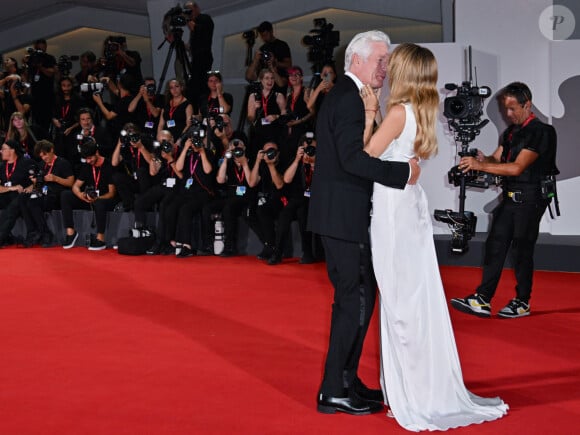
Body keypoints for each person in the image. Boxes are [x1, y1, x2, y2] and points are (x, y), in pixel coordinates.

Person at [361, 42, 508, 431]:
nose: (387, 69)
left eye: (393, 64)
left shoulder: (396, 112)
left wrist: (370, 112)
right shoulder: (423, 109)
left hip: (394, 211)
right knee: (413, 298)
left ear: (404, 71)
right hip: (408, 207)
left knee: (399, 303)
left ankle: (412, 393)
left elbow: (366, 153)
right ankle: (413, 388)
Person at [307, 30, 419, 416]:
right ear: (356, 60)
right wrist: (403, 173)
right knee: (354, 303)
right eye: (380, 60)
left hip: (342, 215)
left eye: (387, 61)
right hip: (343, 217)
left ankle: (345, 380)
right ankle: (334, 389)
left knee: (358, 301)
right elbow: (353, 161)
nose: (386, 68)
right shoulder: (348, 99)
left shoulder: (348, 97)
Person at [451, 82, 559, 319]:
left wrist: (481, 165)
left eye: (512, 109)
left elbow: (518, 167)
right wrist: (482, 158)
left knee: (521, 251)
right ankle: (483, 299)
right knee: (494, 246)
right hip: (510, 199)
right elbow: (497, 159)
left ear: (527, 104)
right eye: (504, 109)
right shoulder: (510, 132)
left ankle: (522, 302)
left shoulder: (542, 132)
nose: (508, 114)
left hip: (531, 200)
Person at [268, 133, 319, 265]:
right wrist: (297, 160)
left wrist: (314, 164)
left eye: (312, 148)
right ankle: (277, 253)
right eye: (306, 148)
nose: (309, 151)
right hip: (296, 199)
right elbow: (286, 179)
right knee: (285, 215)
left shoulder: (322, 161)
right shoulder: (294, 160)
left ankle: (307, 253)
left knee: (303, 211)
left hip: (315, 200)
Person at [60, 137, 117, 250]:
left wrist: (98, 198)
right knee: (65, 195)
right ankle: (71, 233)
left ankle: (100, 239)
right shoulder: (87, 166)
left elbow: (112, 193)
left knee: (99, 203)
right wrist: (81, 195)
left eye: (90, 158)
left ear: (96, 152)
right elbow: (75, 186)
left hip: (105, 200)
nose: (88, 161)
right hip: (89, 199)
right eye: (86, 159)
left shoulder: (108, 165)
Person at [19, 139, 74, 247]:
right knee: (22, 198)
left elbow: (71, 182)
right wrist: (34, 183)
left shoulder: (63, 163)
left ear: (52, 150)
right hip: (43, 192)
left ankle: (45, 233)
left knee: (33, 202)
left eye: (45, 154)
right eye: (41, 156)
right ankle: (33, 232)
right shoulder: (41, 165)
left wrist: (56, 179)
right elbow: (39, 183)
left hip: (57, 194)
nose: (44, 158)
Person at [0, 139, 34, 247]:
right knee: (10, 203)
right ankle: (6, 236)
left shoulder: (26, 162)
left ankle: (2, 237)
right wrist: (11, 188)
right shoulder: (1, 166)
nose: (1, 151)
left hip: (22, 197)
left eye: (3, 149)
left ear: (12, 150)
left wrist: (31, 187)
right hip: (7, 195)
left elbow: (39, 179)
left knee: (14, 204)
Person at [245, 21, 292, 92]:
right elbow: (249, 76)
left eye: (266, 35)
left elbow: (289, 64)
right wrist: (255, 60)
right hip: (265, 86)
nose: (264, 38)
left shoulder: (282, 45)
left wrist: (275, 63)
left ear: (271, 31)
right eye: (262, 36)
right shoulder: (262, 48)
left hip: (279, 83)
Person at [184, 1, 214, 109]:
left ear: (196, 8)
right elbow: (191, 47)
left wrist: (188, 20)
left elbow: (200, 30)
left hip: (203, 59)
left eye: (190, 10)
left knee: (200, 87)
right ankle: (195, 108)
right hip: (197, 60)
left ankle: (201, 109)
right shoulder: (194, 24)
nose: (189, 14)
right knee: (193, 87)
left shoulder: (205, 18)